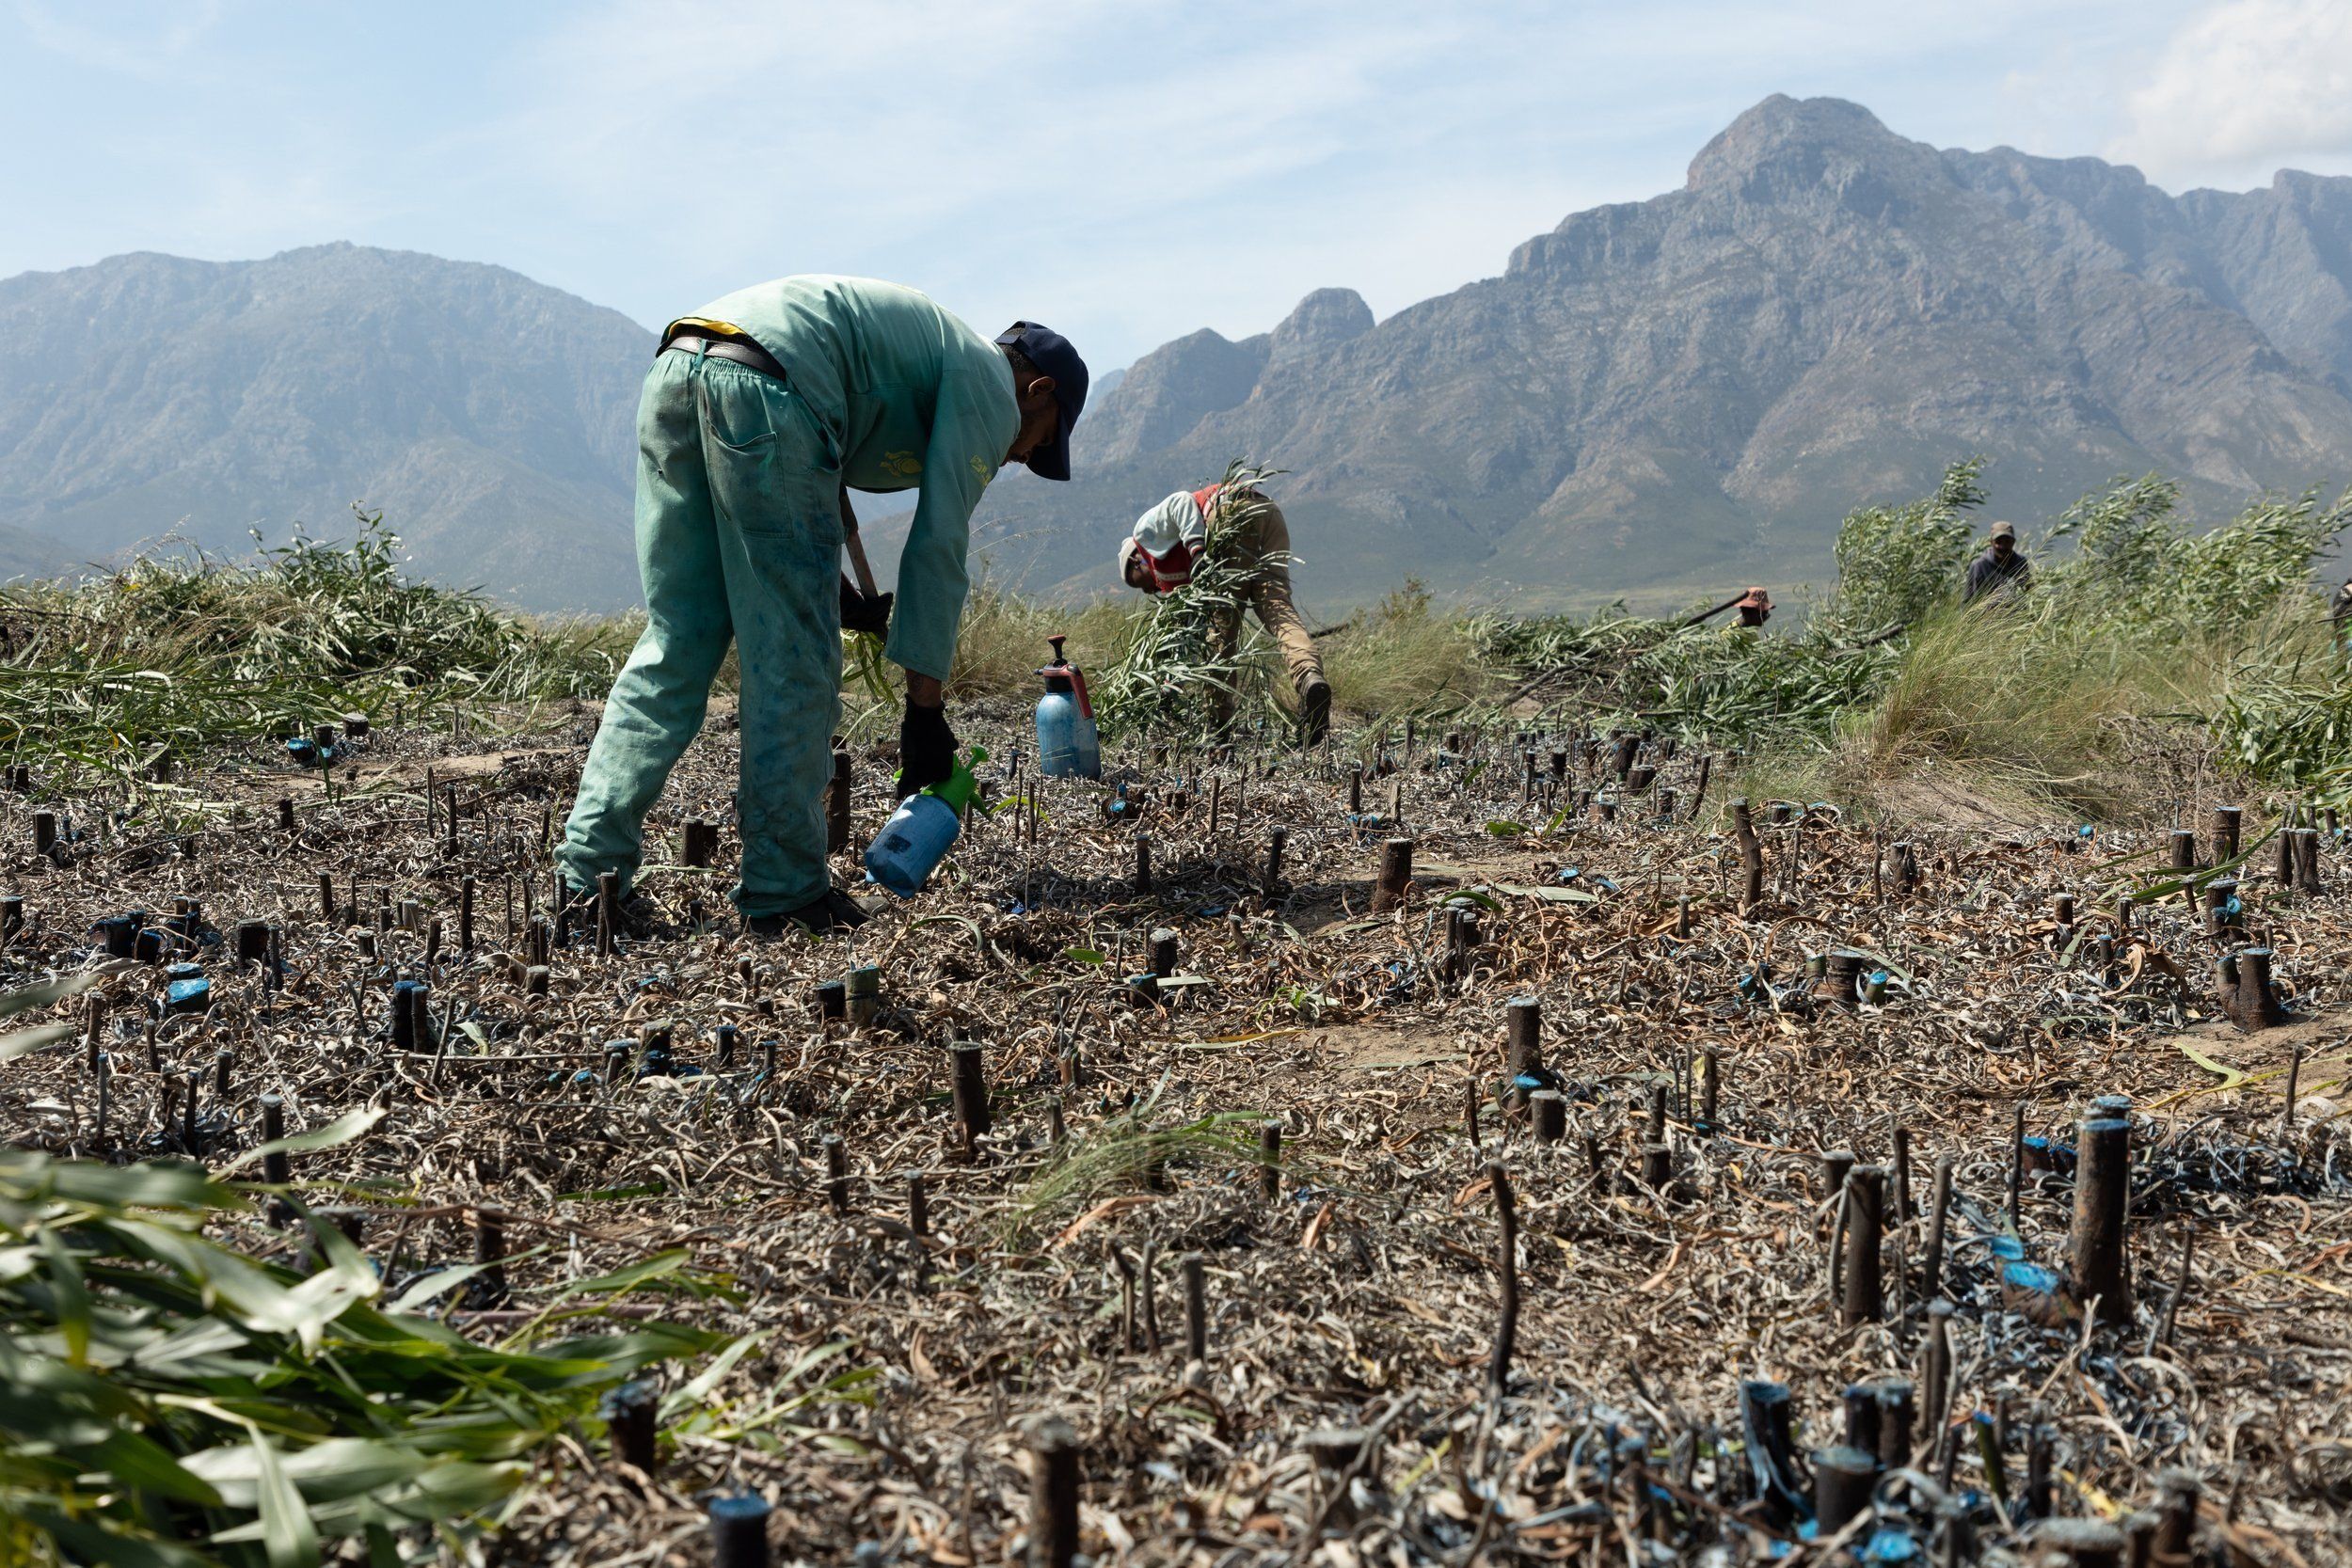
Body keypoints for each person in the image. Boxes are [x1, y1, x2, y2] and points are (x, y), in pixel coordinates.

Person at [556, 277, 1087, 935]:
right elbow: (939, 543)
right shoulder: (988, 381)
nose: (1018, 455)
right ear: (1038, 392)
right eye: (1037, 443)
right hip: (770, 390)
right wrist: (925, 712)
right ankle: (784, 889)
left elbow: (822, 456)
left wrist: (832, 584)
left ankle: (586, 884)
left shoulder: (923, 348)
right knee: (795, 662)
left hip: (681, 365)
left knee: (677, 641)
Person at [1119, 479, 1332, 742]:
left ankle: (1219, 729)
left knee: (1221, 632)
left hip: (1231, 514)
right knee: (1278, 610)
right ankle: (1310, 677)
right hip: (1266, 511)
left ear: (1135, 562)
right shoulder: (1176, 579)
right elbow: (1187, 633)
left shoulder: (1144, 536)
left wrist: (1197, 549)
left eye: (1135, 583)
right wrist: (1170, 685)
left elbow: (1181, 501)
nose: (1146, 591)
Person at [1963, 520, 2032, 602]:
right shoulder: (1980, 565)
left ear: (2013, 542)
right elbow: (1969, 600)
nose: (2003, 546)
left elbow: (2029, 593)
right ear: (1991, 542)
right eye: (1998, 542)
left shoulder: (2020, 563)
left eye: (2007, 542)